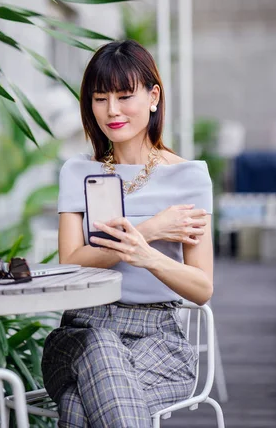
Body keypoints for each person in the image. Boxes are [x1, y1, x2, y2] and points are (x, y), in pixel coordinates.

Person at [41, 40, 214, 428]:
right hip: (82, 331)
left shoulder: (188, 177)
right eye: (100, 98)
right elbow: (70, 263)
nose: (112, 110)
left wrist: (146, 254)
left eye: (124, 96)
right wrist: (150, 230)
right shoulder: (77, 172)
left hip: (160, 341)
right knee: (100, 347)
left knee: (76, 407)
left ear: (154, 97)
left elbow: (202, 288)